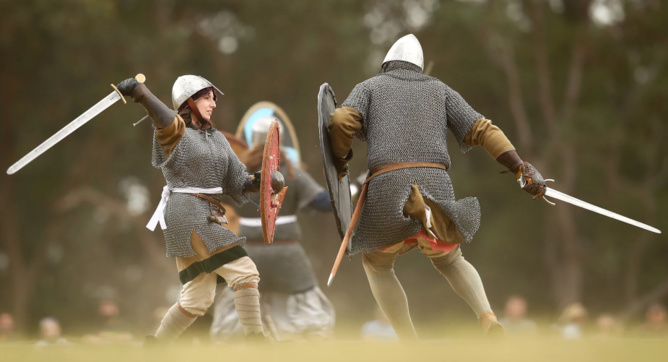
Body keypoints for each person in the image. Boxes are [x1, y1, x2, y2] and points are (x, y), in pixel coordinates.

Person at [328, 34, 547, 340]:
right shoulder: (440, 89)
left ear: (386, 65)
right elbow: (483, 129)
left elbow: (340, 120)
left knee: (378, 265)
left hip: (387, 187)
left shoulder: (370, 86)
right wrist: (519, 167)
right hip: (435, 186)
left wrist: (340, 160)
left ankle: (410, 342)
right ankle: (487, 316)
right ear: (419, 68)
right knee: (449, 258)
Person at [115, 75, 284, 344]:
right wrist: (140, 92)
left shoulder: (217, 140)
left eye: (213, 98)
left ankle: (155, 346)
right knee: (245, 271)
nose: (213, 103)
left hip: (205, 212)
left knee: (197, 298)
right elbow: (164, 120)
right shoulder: (175, 132)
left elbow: (237, 180)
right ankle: (256, 341)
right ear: (189, 102)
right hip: (188, 210)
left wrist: (262, 179)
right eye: (207, 97)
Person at [211, 114, 335, 342]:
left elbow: (209, 194)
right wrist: (351, 189)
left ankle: (235, 340)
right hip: (287, 253)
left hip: (248, 254)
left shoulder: (238, 174)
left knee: (239, 301)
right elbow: (324, 203)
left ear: (252, 139)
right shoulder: (291, 173)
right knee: (307, 309)